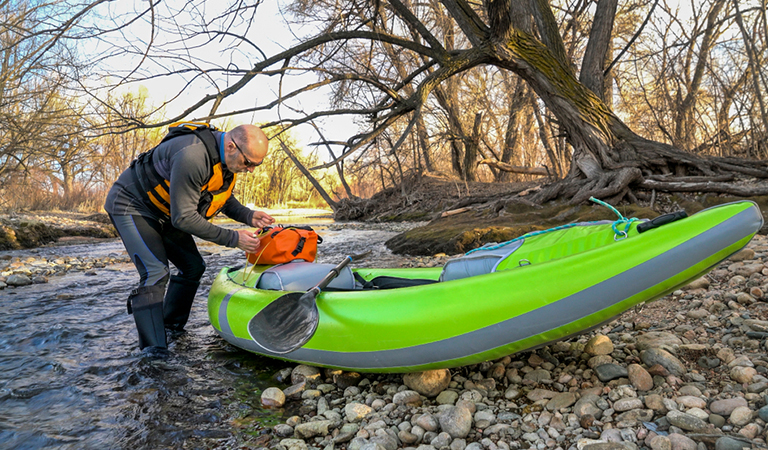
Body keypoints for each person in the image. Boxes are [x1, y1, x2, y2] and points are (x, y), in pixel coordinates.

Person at [105, 122, 275, 350]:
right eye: (249, 163)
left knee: (193, 266)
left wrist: (249, 215)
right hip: (131, 205)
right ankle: (153, 354)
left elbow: (220, 197)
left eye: (257, 164)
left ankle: (170, 327)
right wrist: (234, 239)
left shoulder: (226, 160)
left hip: (165, 211)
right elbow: (184, 218)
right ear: (232, 146)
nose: (251, 169)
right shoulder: (192, 156)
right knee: (155, 273)